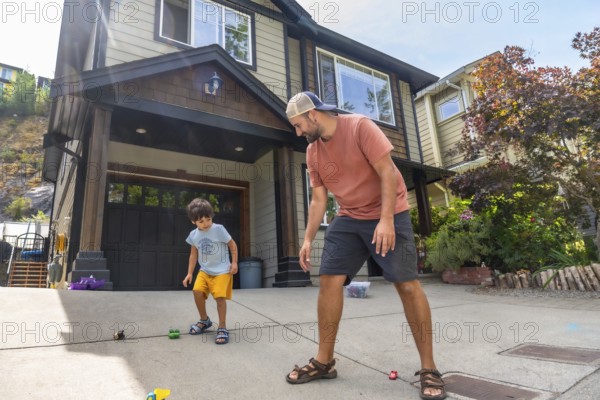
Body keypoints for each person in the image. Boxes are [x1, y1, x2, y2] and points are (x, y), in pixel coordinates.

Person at [284, 91, 446, 399]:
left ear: (313, 115)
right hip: (349, 217)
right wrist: (306, 239)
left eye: (298, 124)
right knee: (329, 279)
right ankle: (324, 361)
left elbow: (387, 173)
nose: (298, 132)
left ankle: (429, 368)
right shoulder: (313, 153)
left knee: (407, 284)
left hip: (389, 210)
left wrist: (386, 220)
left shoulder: (359, 127)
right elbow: (319, 200)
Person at [182, 198, 238, 345]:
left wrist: (234, 262)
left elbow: (233, 245)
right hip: (205, 270)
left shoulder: (219, 229)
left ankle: (222, 327)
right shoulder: (193, 235)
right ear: (193, 221)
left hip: (222, 271)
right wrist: (189, 273)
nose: (206, 223)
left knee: (220, 297)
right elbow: (193, 254)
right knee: (197, 291)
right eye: (201, 221)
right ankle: (204, 320)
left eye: (208, 219)